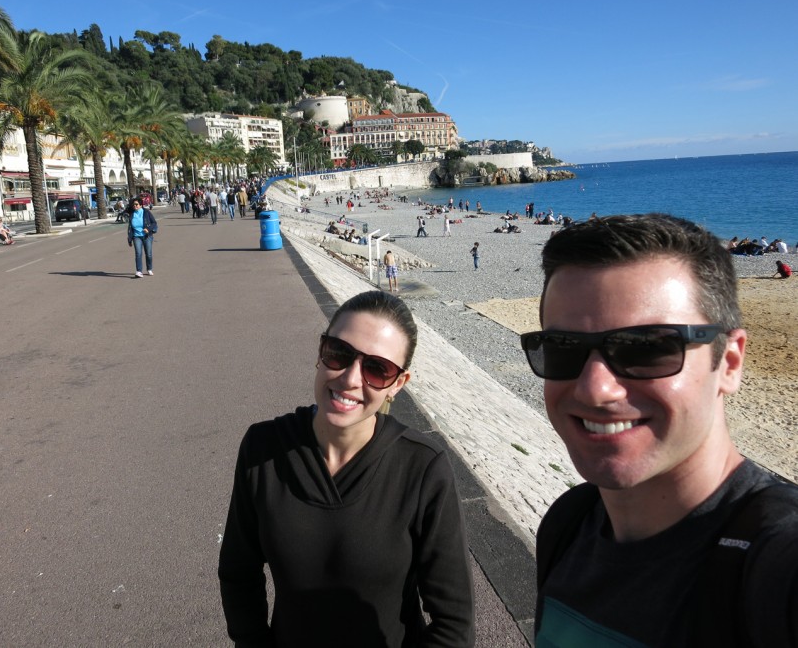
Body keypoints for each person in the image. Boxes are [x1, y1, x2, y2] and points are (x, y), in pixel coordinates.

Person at [521, 213, 798, 646]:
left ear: (728, 363)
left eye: (648, 348)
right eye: (562, 349)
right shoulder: (568, 524)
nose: (596, 389)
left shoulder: (775, 563)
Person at [219, 291, 474, 647]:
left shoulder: (422, 467)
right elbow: (238, 573)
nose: (352, 378)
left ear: (397, 385)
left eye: (378, 369)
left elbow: (454, 621)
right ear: (321, 353)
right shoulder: (263, 449)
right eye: (339, 354)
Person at [126, 196, 157, 278]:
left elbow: (154, 223)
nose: (135, 206)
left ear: (140, 205)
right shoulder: (132, 214)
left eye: (136, 204)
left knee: (149, 254)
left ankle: (149, 269)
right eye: (134, 205)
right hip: (136, 237)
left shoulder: (146, 212)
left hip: (147, 236)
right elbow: (130, 228)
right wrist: (129, 239)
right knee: (138, 253)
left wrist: (148, 229)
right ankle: (139, 271)